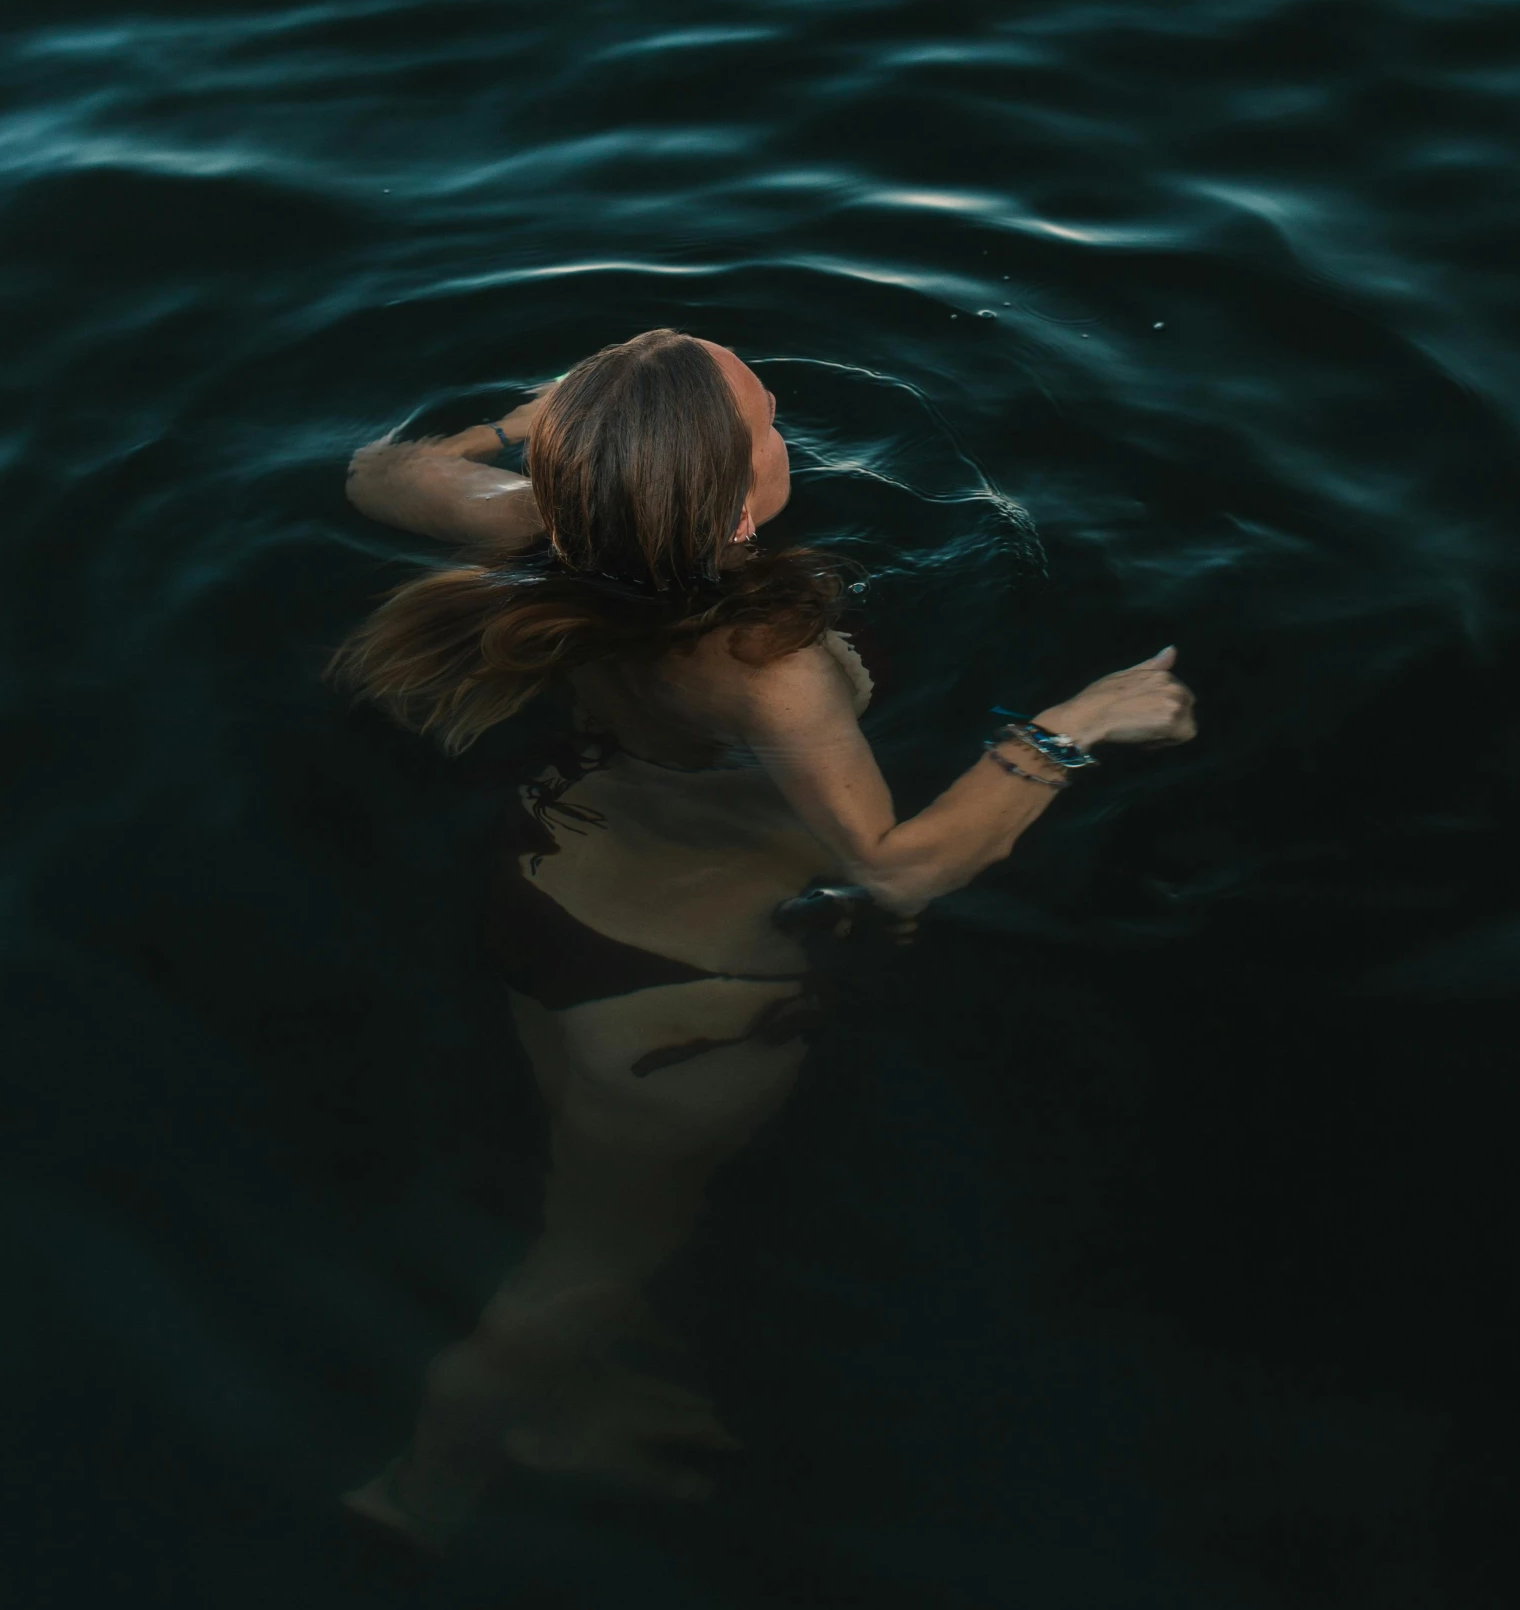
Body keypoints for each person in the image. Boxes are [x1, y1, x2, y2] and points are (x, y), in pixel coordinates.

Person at [333, 328, 1195, 1547]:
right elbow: (894, 875)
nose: (786, 424)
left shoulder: (534, 528)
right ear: (740, 513)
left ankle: (556, 1407)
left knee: (589, 1200)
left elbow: (371, 471)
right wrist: (1074, 726)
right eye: (771, 425)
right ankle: (421, 1490)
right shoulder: (767, 662)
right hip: (677, 998)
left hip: (543, 896)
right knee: (589, 1260)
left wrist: (524, 423)